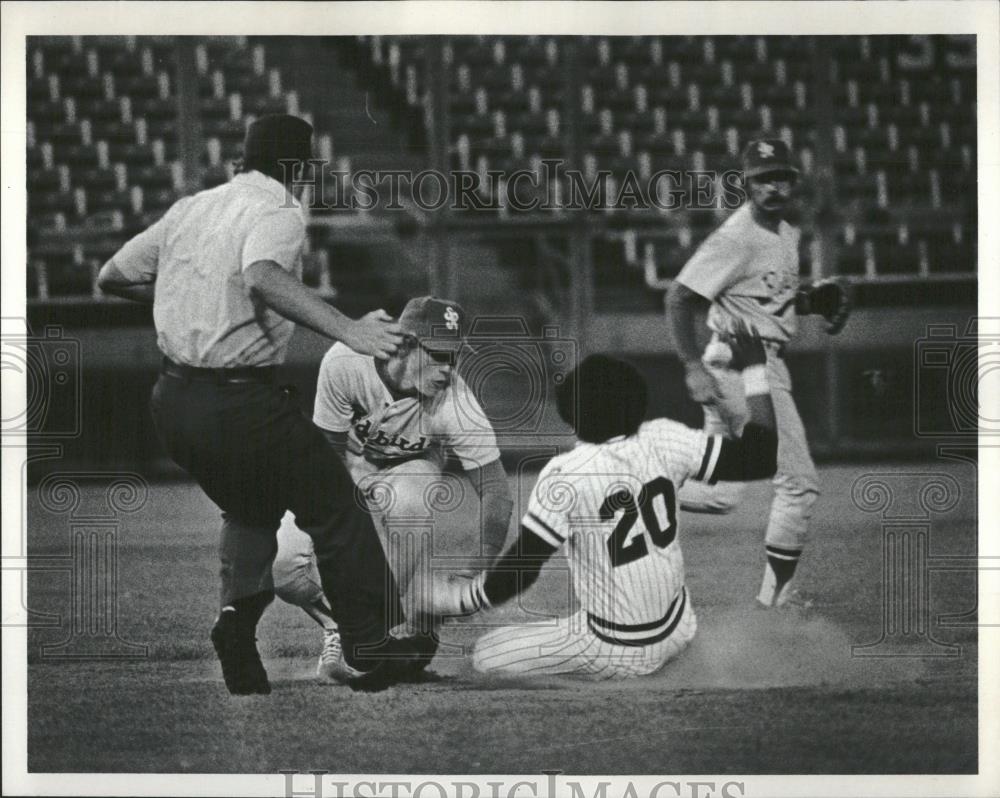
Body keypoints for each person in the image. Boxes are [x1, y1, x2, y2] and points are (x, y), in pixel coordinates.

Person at [97, 113, 424, 694]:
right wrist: (351, 331)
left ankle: (236, 628)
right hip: (239, 399)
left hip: (172, 400)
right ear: (298, 168)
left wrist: (192, 290)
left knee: (251, 509)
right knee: (336, 508)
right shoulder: (278, 209)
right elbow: (262, 276)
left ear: (240, 161)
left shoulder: (191, 209)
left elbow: (113, 275)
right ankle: (372, 648)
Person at [424, 328, 778, 680]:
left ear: (571, 413)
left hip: (614, 647)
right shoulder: (663, 437)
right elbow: (762, 457)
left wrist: (457, 600)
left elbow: (523, 569)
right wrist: (755, 370)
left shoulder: (565, 473)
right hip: (679, 630)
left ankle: (597, 677)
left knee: (488, 654)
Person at [271, 296, 514, 682]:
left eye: (455, 356)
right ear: (404, 343)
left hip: (410, 471)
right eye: (438, 354)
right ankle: (344, 624)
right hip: (343, 467)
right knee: (282, 565)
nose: (448, 369)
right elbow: (326, 459)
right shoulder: (346, 362)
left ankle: (386, 620)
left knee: (411, 499)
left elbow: (497, 493)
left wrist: (476, 568)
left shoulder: (456, 402)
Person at [665, 138, 850, 608]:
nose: (774, 186)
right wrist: (691, 367)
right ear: (746, 184)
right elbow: (680, 298)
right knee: (799, 485)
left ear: (794, 182)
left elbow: (766, 302)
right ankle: (776, 601)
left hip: (757, 358)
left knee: (723, 493)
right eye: (763, 178)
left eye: (782, 176)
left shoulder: (785, 234)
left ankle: (631, 482)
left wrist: (808, 303)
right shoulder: (736, 236)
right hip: (742, 366)